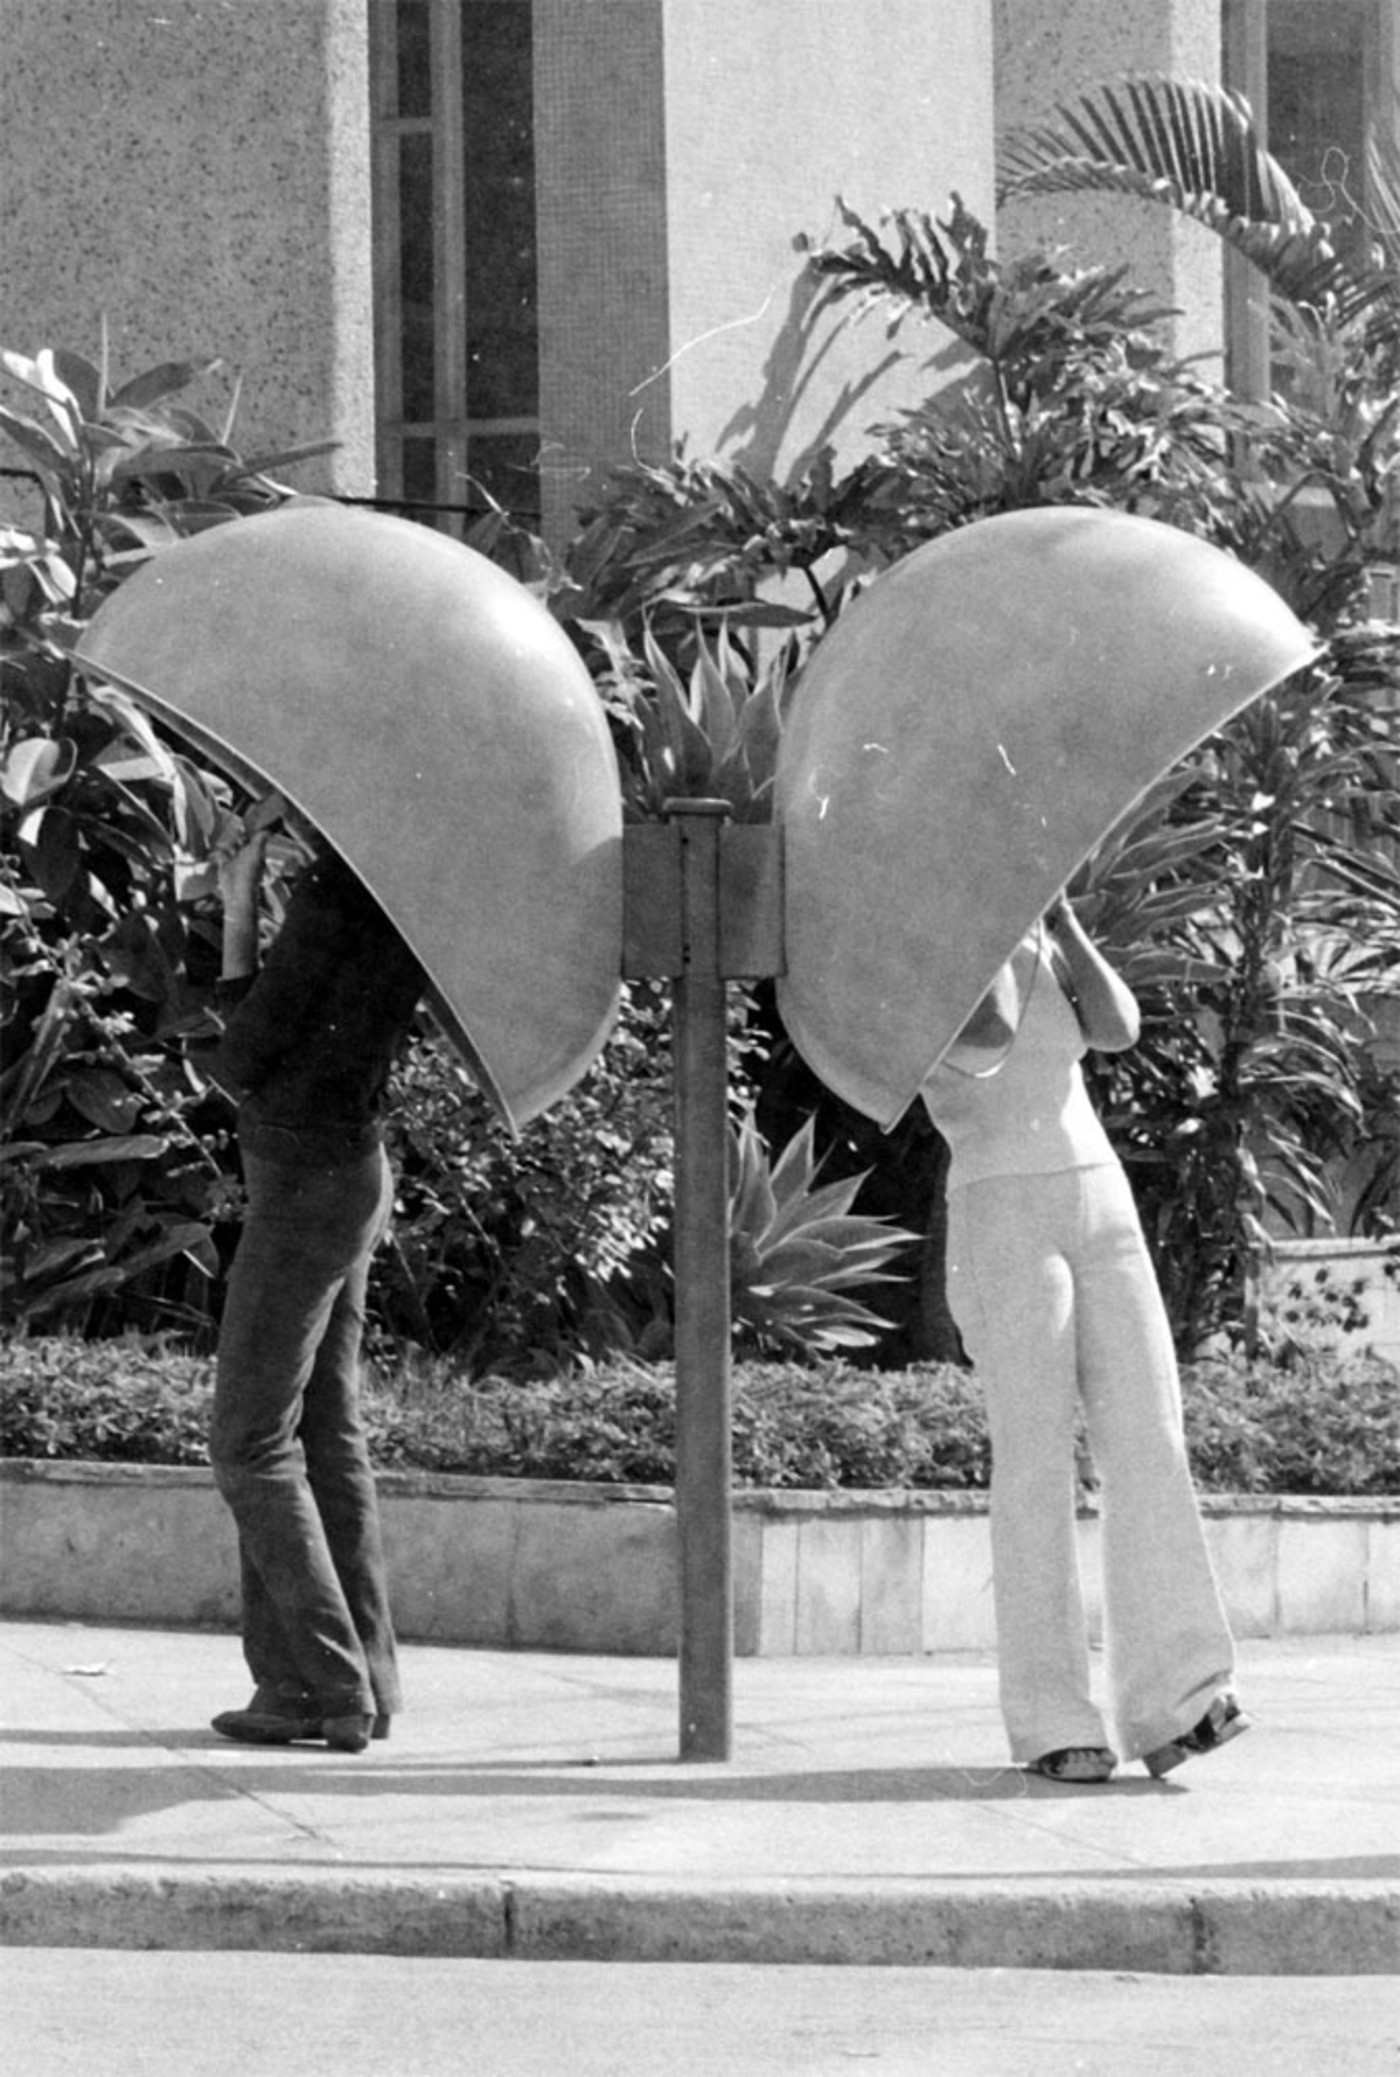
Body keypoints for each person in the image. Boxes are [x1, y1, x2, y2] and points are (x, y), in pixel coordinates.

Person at [921, 896, 1249, 1783]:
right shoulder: (926, 935)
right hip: (1001, 1204)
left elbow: (1117, 1028)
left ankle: (1179, 1699)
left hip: (1099, 1196)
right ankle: (1051, 1719)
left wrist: (1061, 921)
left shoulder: (1041, 927)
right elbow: (987, 1034)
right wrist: (997, 911)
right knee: (1036, 1461)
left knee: (1151, 1435)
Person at [207, 819, 426, 1754]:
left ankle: (325, 1683)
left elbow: (240, 1057)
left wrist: (238, 906)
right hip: (344, 1172)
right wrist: (248, 893)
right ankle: (348, 1677)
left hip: (305, 1183)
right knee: (325, 1435)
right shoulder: (395, 880)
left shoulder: (337, 895)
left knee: (249, 1440)